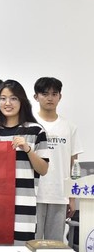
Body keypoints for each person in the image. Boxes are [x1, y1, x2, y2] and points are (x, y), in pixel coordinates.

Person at [0, 79, 49, 245]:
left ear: (22, 101)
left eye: (13, 98)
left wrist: (27, 149)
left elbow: (43, 169)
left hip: (23, 205)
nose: (7, 103)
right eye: (3, 98)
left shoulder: (35, 130)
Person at [33, 77, 83, 241]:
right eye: (45, 94)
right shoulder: (30, 125)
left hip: (60, 194)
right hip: (34, 193)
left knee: (55, 245)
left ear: (60, 97)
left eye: (54, 94)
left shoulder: (69, 127)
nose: (50, 98)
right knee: (31, 243)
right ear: (36, 97)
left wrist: (72, 197)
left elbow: (74, 164)